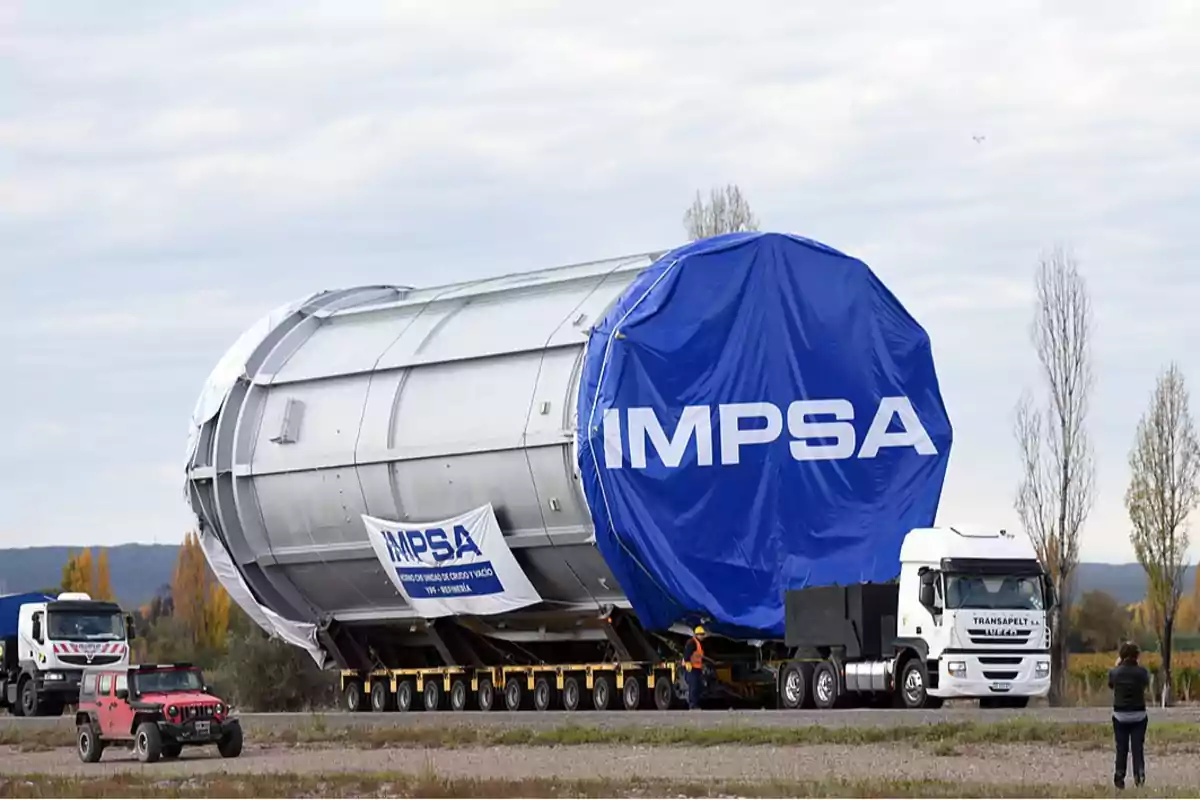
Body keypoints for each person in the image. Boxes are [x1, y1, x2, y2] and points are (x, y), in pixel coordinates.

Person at [1108, 641, 1150, 789]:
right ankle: (1139, 776)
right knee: (1138, 747)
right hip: (1139, 715)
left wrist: (1116, 666)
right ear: (1137, 656)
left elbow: (1111, 684)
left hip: (1120, 716)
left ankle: (1119, 777)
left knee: (1122, 748)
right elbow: (1145, 684)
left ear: (1121, 656)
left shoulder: (1114, 673)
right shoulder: (1142, 672)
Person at [682, 625, 707, 710]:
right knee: (693, 687)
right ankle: (692, 705)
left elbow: (699, 656)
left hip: (697, 668)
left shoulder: (699, 643)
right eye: (701, 634)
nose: (703, 636)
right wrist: (687, 662)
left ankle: (694, 704)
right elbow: (686, 654)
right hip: (691, 668)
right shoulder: (692, 643)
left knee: (697, 687)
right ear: (697, 635)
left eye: (703, 634)